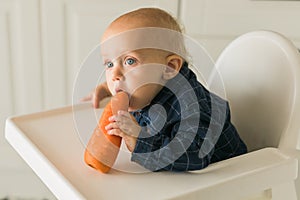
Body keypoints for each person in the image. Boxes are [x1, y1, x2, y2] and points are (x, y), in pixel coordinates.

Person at [82, 7, 247, 171]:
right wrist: (107, 88)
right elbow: (120, 79)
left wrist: (139, 138)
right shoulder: (147, 87)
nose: (115, 75)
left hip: (225, 178)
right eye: (109, 64)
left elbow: (196, 156)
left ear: (169, 67)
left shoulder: (191, 105)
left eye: (130, 61)